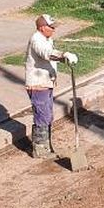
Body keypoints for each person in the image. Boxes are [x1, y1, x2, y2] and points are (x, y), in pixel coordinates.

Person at [23, 14, 77, 159]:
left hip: (46, 83)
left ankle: (46, 146)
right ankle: (40, 149)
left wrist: (64, 59)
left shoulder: (47, 39)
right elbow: (46, 54)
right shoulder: (36, 39)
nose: (53, 30)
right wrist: (63, 55)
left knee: (48, 115)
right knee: (42, 115)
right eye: (51, 27)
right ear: (42, 27)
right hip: (37, 85)